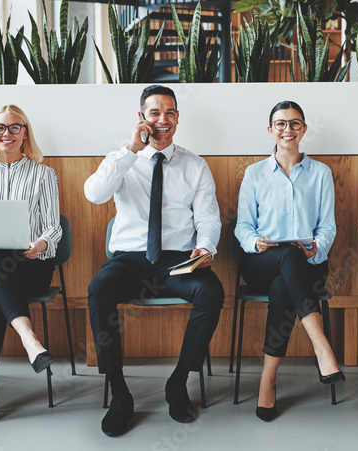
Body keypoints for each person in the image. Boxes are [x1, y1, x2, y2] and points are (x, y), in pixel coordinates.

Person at [84, 85, 224, 437]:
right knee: (99, 288)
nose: (162, 120)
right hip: (130, 260)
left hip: (177, 262)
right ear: (141, 118)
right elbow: (94, 194)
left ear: (178, 117)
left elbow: (208, 219)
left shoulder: (195, 165)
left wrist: (205, 247)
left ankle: (178, 383)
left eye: (170, 113)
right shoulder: (121, 159)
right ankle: (120, 394)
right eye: (154, 113)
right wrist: (130, 149)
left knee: (212, 292)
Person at [234, 100, 343, 422]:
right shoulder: (254, 173)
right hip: (260, 262)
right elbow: (242, 225)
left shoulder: (321, 173)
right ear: (271, 130)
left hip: (306, 264)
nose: (288, 130)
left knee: (285, 283)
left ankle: (267, 382)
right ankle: (321, 345)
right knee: (285, 258)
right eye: (281, 124)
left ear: (304, 129)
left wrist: (315, 249)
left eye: (295, 123)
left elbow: (327, 227)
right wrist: (255, 241)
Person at [0, 105, 62, 429]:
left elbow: (53, 227)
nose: (6, 134)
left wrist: (41, 244)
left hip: (28, 265)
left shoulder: (44, 174)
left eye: (14, 127)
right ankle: (29, 339)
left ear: (25, 133)